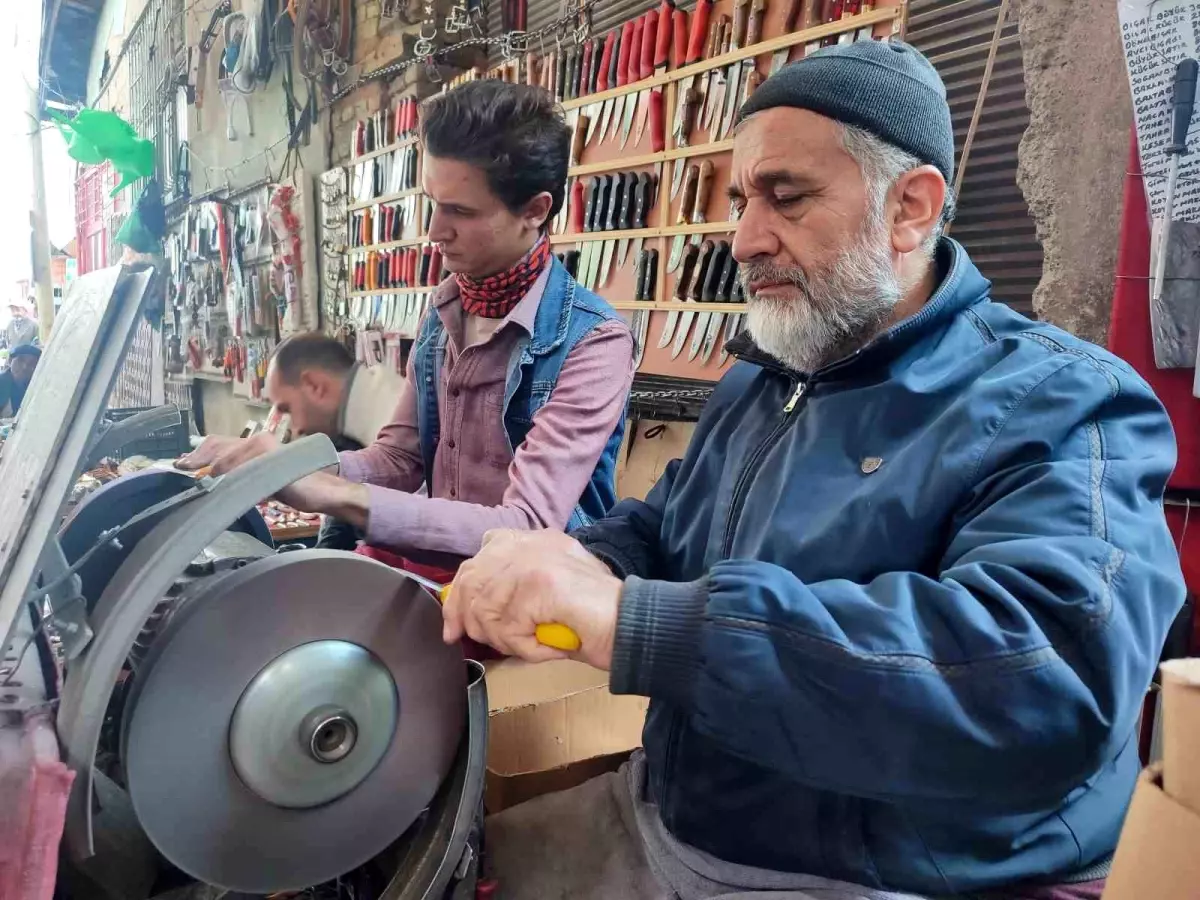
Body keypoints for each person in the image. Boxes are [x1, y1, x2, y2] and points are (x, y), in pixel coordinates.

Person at [441, 41, 1187, 900]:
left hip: (887, 875)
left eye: (784, 197)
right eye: (740, 201)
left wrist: (636, 623)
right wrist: (582, 563)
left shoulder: (1066, 401)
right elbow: (667, 525)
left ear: (910, 207)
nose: (745, 238)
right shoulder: (768, 375)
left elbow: (1047, 680)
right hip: (679, 815)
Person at [179, 80, 635, 580]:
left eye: (460, 211)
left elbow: (525, 526)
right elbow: (400, 459)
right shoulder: (444, 314)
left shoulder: (594, 343)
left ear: (535, 210)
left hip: (537, 609)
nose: (435, 231)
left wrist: (333, 492)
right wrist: (289, 465)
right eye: (432, 202)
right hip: (444, 586)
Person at [263, 332, 403, 550]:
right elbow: (339, 532)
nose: (296, 428)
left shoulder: (394, 418)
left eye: (288, 408)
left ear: (314, 386)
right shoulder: (351, 424)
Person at [0, 344, 40, 418]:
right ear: (10, 361)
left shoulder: (38, 386)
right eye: (20, 360)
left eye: (32, 363)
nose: (25, 367)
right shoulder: (2, 383)